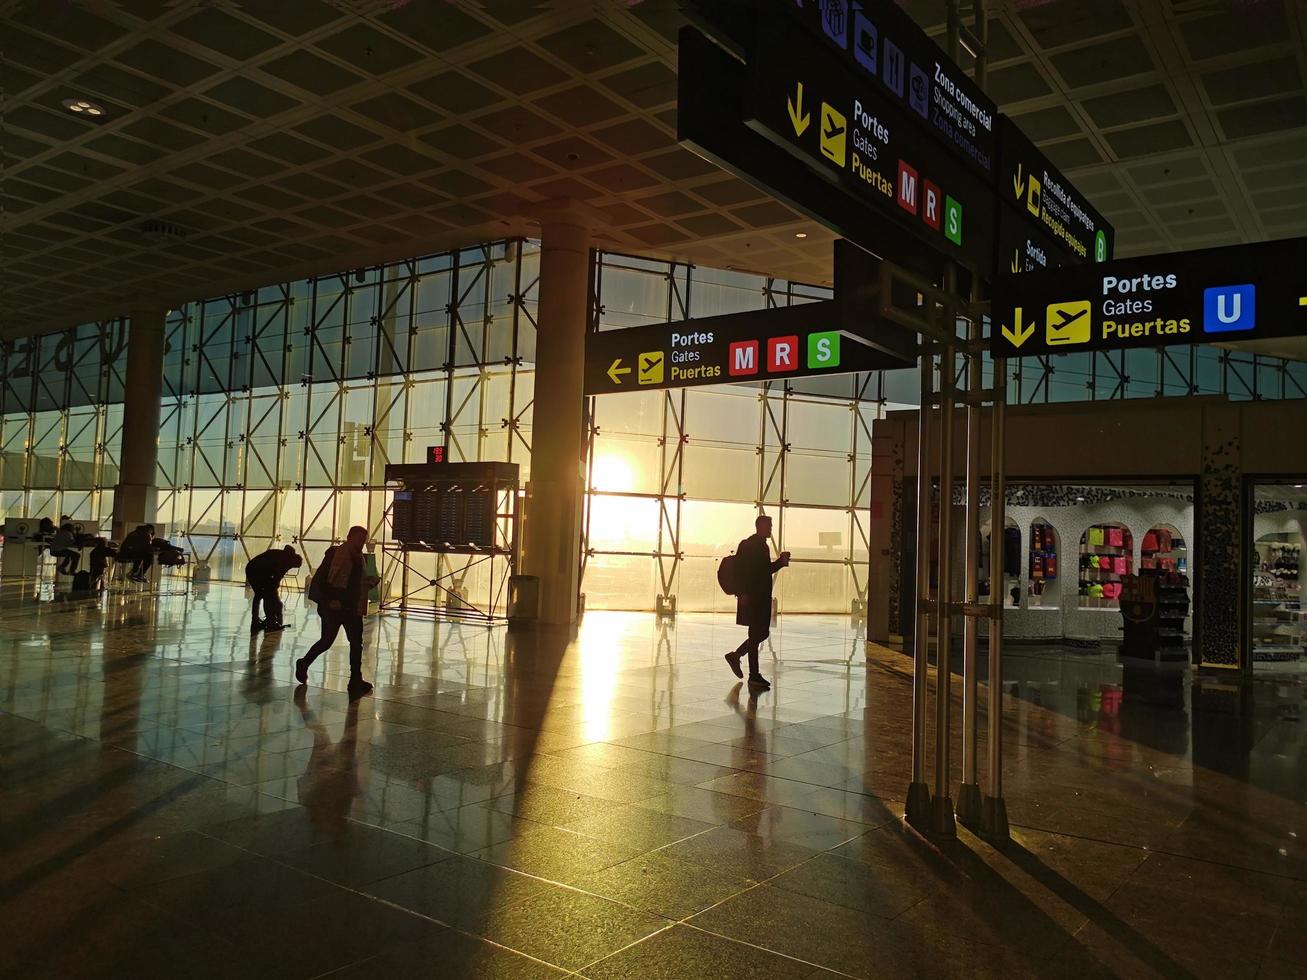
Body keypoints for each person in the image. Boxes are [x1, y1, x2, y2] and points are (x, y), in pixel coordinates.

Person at [295, 526, 379, 697]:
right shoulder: (340, 555)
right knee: (331, 641)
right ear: (349, 537)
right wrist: (332, 599)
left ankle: (355, 678)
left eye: (364, 539)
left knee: (354, 643)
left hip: (350, 607)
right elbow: (329, 579)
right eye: (359, 539)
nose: (362, 542)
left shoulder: (356, 557)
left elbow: (352, 581)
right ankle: (304, 663)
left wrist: (368, 582)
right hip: (336, 606)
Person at [725, 514, 789, 690]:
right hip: (757, 597)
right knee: (757, 635)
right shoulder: (760, 546)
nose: (771, 529)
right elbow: (763, 571)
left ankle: (736, 656)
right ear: (761, 527)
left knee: (760, 633)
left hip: (749, 595)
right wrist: (780, 563)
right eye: (769, 526)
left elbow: (751, 571)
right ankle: (753, 674)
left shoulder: (747, 544)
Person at [245, 545, 302, 635]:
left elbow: (275, 578)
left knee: (261, 595)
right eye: (294, 566)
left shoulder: (281, 555)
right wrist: (274, 591)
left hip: (253, 568)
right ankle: (270, 622)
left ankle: (257, 620)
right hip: (257, 571)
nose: (291, 568)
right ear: (293, 561)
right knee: (265, 595)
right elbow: (277, 578)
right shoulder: (285, 561)